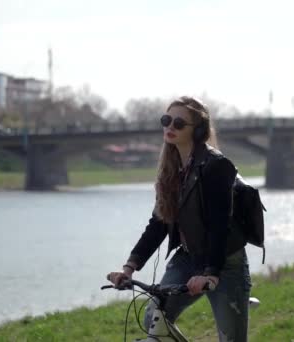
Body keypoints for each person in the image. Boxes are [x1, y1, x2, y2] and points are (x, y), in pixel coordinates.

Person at [106, 96, 251, 341]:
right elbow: (159, 224)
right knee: (154, 314)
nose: (170, 127)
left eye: (179, 123)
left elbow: (220, 225)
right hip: (187, 258)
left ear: (199, 131)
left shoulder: (217, 166)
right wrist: (129, 267)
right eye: (166, 120)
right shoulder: (170, 169)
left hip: (224, 261)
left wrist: (211, 273)